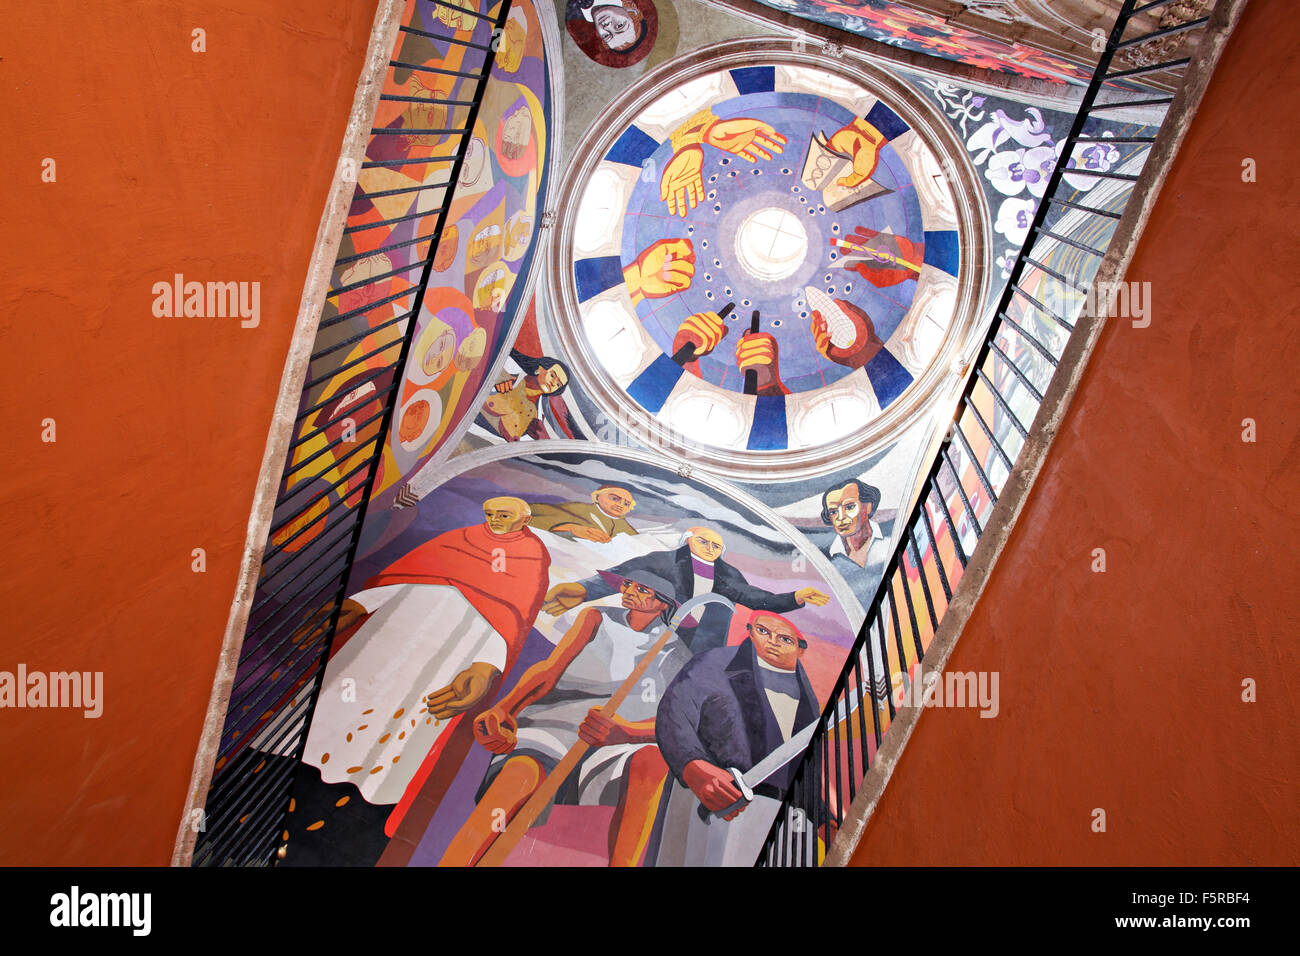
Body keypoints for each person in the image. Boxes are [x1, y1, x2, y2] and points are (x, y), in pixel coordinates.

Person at [300, 496, 550, 808]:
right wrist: (360, 603)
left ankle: (359, 792)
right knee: (348, 688)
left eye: (504, 515)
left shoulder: (532, 558)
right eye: (490, 513)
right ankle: (303, 756)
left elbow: (512, 616)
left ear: (524, 520)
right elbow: (410, 573)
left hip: (458, 645)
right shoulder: (457, 538)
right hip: (392, 626)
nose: (495, 520)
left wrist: (485, 665)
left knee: (403, 716)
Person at [438, 570, 691, 866]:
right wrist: (505, 708)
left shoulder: (675, 650)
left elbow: (674, 722)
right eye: (628, 584)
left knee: (652, 762)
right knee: (519, 776)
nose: (630, 590)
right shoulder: (597, 618)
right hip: (557, 724)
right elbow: (549, 670)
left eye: (643, 589)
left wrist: (627, 733)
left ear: (663, 604)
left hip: (616, 739)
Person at [654, 610, 823, 866]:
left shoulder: (807, 698)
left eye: (785, 639)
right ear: (749, 630)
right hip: (710, 800)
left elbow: (799, 761)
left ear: (801, 650)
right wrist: (695, 768)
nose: (772, 641)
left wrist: (819, 816)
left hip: (774, 815)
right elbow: (674, 712)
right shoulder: (713, 663)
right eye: (763, 631)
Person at [542, 526, 829, 655]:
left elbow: (757, 598)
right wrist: (581, 590)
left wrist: (795, 598)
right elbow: (624, 573)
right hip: (664, 632)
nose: (711, 548)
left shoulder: (728, 574)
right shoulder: (663, 560)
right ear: (688, 540)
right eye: (705, 542)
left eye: (717, 546)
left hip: (706, 638)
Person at [480, 349, 571, 441]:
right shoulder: (512, 372)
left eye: (558, 384)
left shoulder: (537, 416)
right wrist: (495, 389)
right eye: (552, 375)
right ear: (540, 368)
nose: (553, 383)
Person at [529, 484, 638, 543]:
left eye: (626, 504)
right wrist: (569, 528)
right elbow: (527, 516)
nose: (620, 505)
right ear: (597, 497)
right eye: (614, 498)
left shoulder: (627, 528)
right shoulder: (576, 508)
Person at [821, 479, 888, 572]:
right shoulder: (828, 557)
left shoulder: (890, 539)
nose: (840, 517)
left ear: (868, 506)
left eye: (849, 507)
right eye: (833, 512)